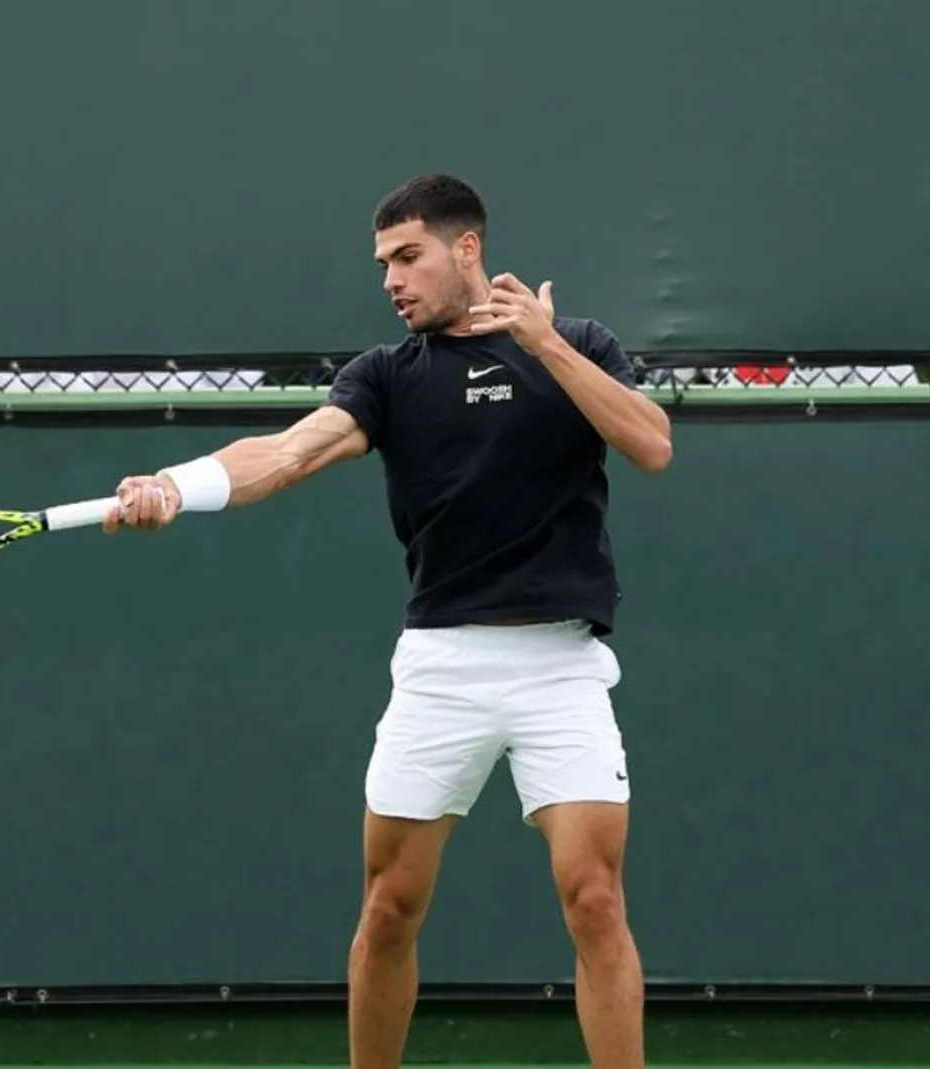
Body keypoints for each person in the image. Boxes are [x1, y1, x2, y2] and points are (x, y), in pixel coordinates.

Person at [101, 173, 673, 1069]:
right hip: (441, 667)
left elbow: (652, 443)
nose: (391, 279)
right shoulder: (386, 377)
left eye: (408, 256)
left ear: (468, 249)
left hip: (560, 666)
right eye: (383, 264)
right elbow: (288, 452)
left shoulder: (578, 341)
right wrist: (180, 485)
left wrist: (547, 344)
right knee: (388, 907)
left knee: (595, 896)